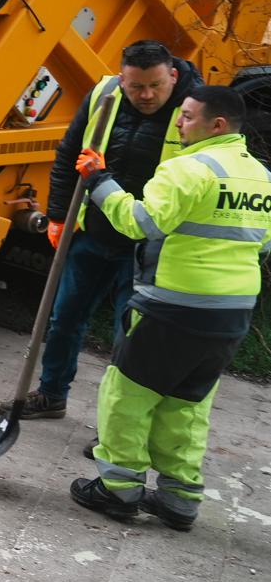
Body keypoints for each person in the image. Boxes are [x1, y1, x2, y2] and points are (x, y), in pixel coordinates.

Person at [71, 85, 269, 529]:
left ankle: (119, 489)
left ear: (216, 125)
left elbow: (139, 223)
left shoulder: (188, 168)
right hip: (232, 314)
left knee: (127, 395)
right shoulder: (261, 177)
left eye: (187, 116)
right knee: (186, 405)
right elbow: (263, 243)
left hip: (174, 309)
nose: (178, 123)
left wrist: (100, 182)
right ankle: (180, 499)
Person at [23, 40, 198, 419]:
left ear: (172, 75)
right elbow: (69, 153)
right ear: (122, 79)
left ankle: (117, 425)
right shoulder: (104, 93)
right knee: (64, 318)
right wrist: (57, 217)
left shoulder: (196, 109)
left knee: (131, 338)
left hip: (146, 246)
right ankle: (51, 395)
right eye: (135, 87)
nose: (146, 95)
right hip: (93, 232)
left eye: (155, 85)